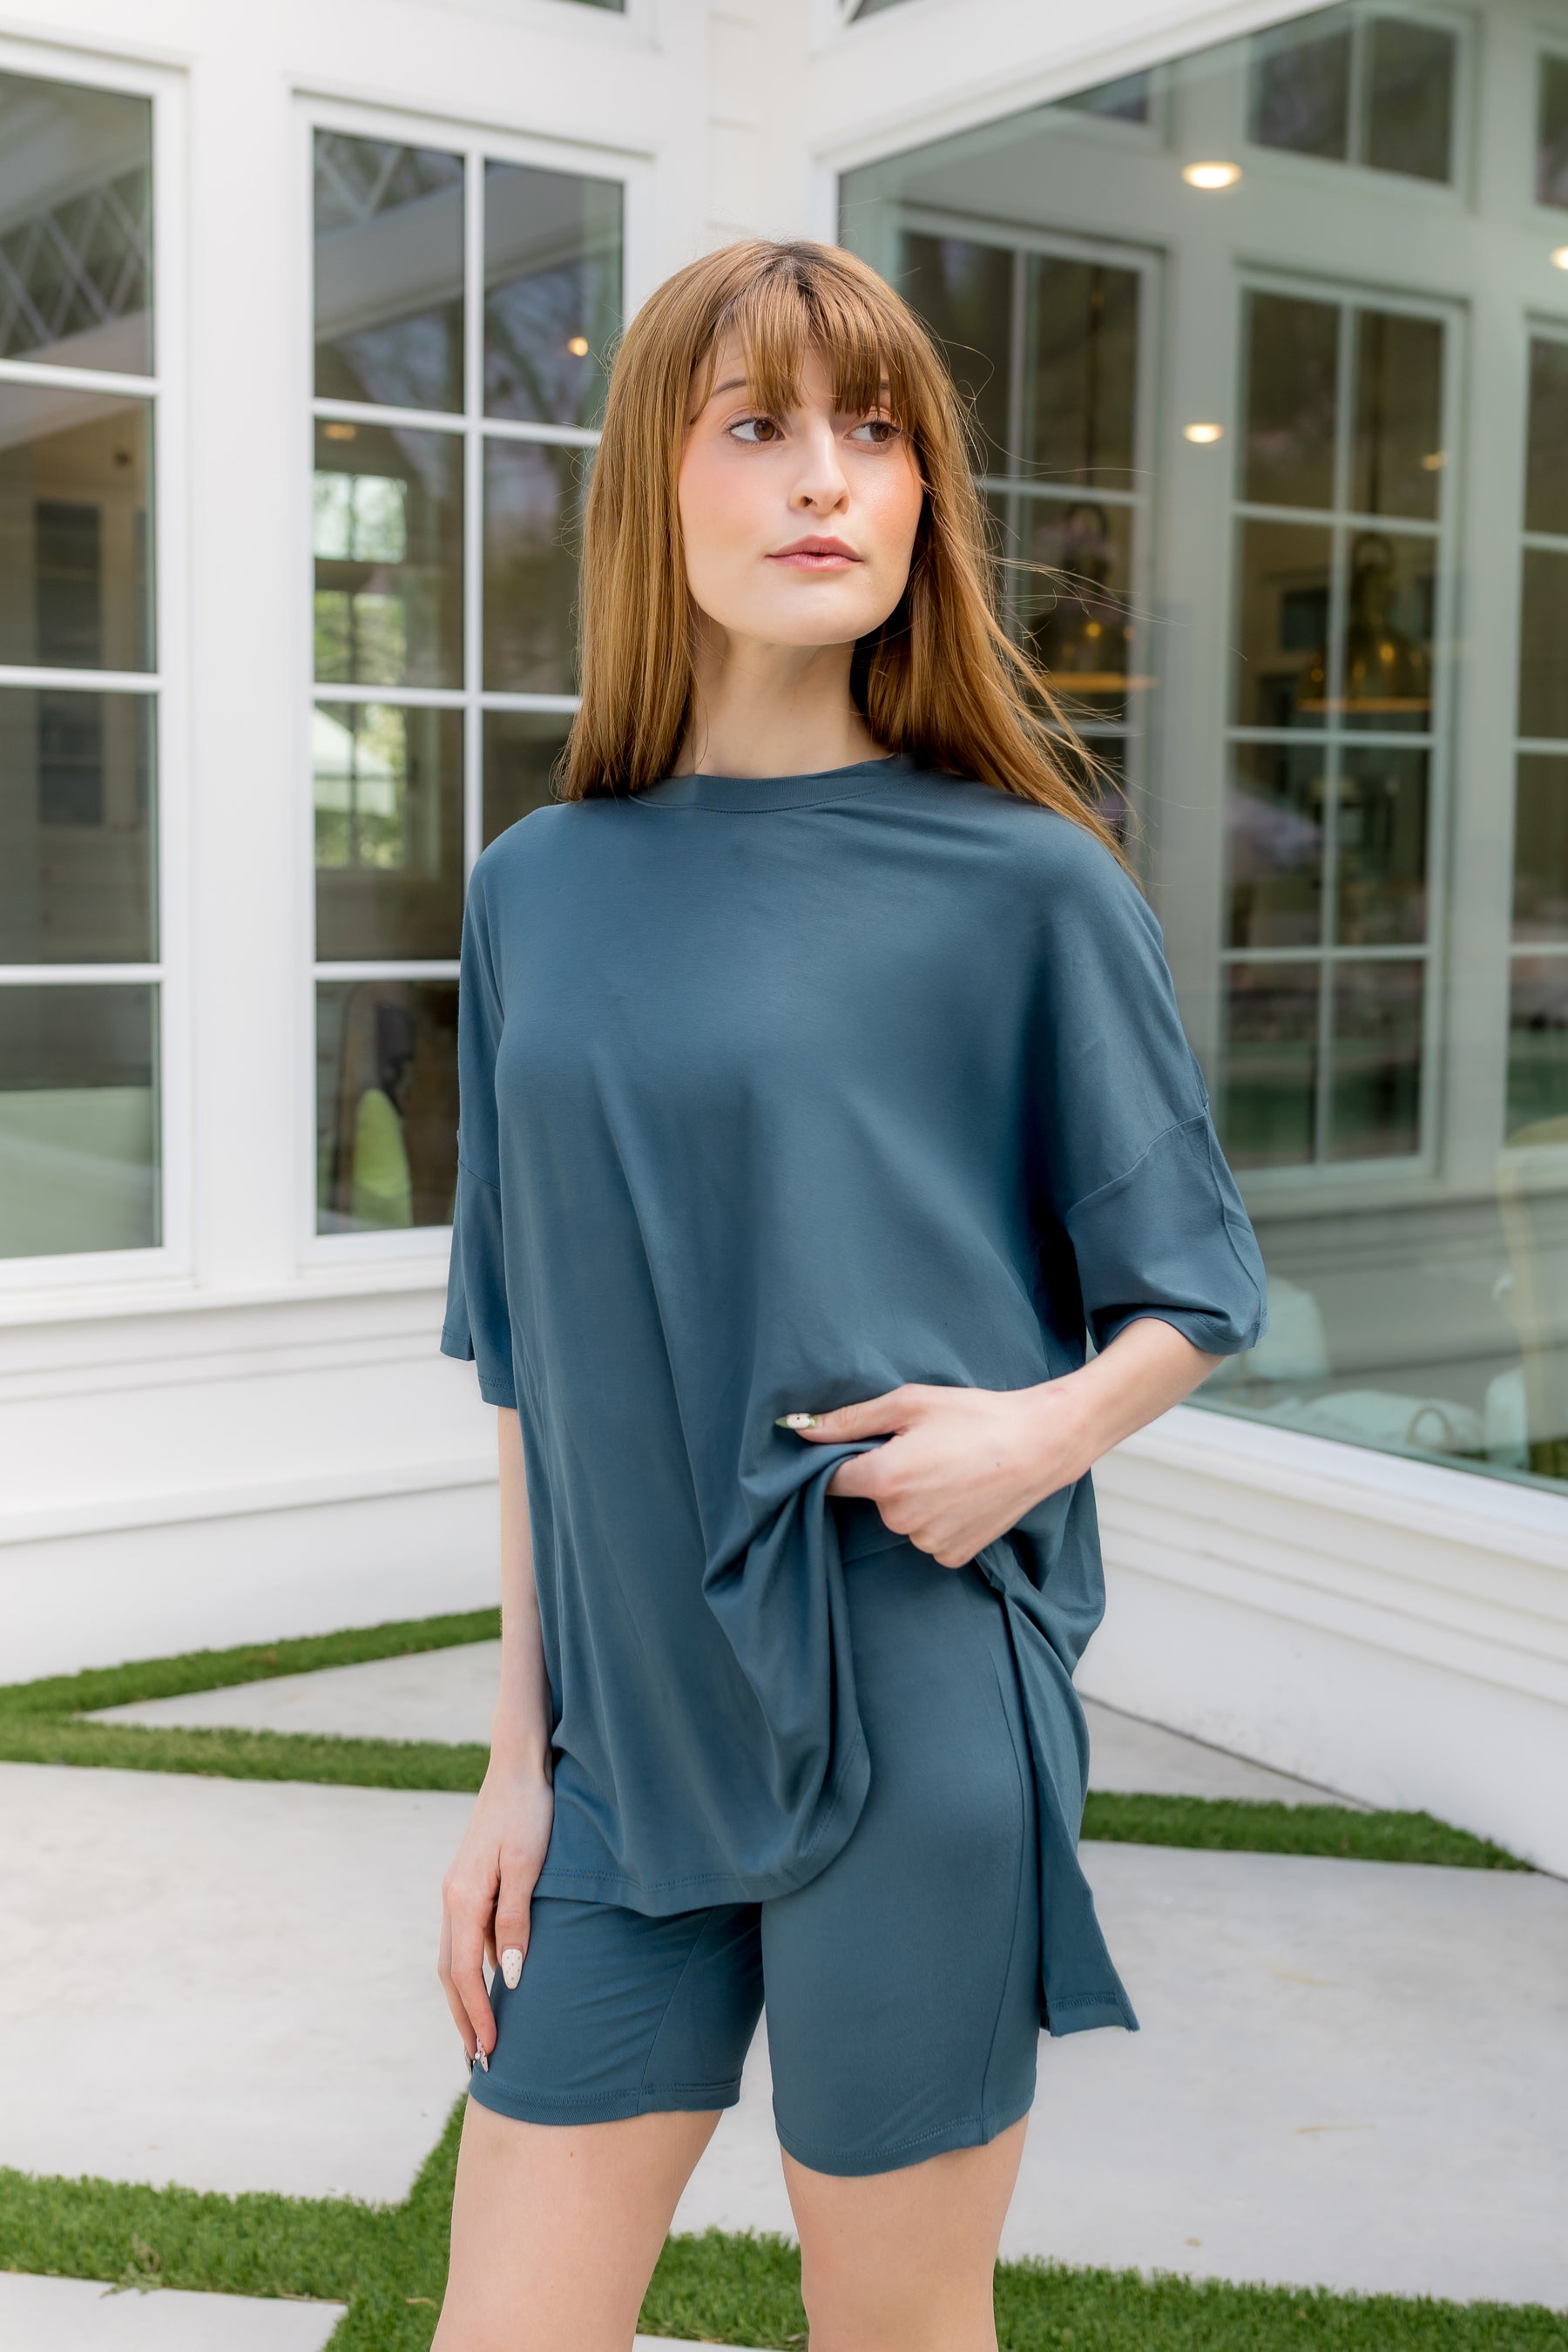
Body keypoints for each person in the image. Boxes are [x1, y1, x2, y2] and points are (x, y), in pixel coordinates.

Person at [432, 239, 1267, 2352]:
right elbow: (532, 1355)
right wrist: (513, 1763)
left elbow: (1197, 1282)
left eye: (877, 433)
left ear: (921, 499)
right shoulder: (537, 885)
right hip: (626, 1750)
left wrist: (1036, 1431)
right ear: (658, 486)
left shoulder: (1025, 879)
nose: (831, 480)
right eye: (762, 427)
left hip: (911, 1700)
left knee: (893, 2327)